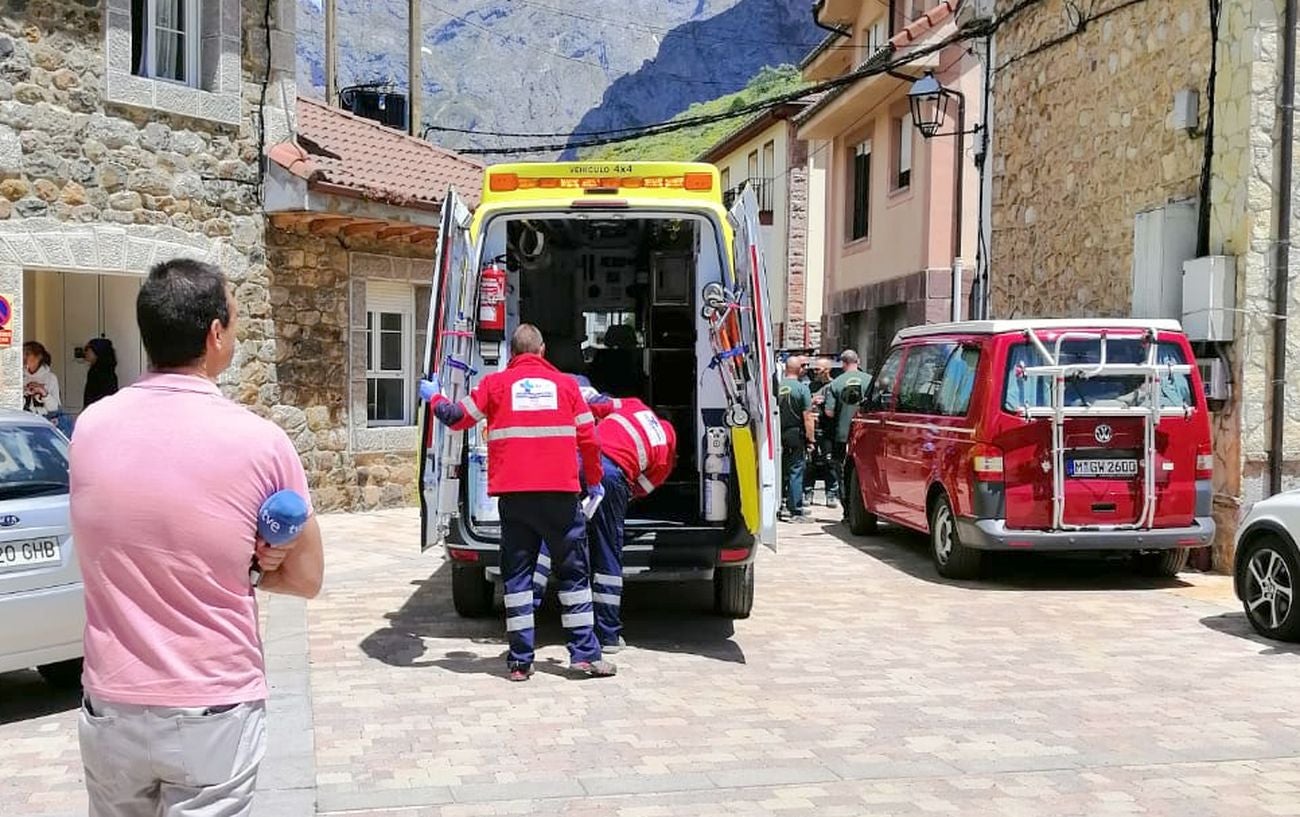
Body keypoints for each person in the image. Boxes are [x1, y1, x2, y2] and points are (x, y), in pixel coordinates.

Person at [70, 258, 324, 817]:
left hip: (111, 701)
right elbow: (307, 579)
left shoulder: (88, 428)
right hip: (212, 703)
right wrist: (257, 563)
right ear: (214, 334)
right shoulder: (261, 442)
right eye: (234, 320)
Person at [422, 323, 615, 681]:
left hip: (515, 499)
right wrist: (596, 483)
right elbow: (589, 441)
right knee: (573, 574)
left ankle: (520, 663)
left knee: (518, 579)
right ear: (542, 352)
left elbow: (456, 418)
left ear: (512, 354)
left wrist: (434, 396)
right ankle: (585, 655)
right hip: (561, 497)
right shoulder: (568, 387)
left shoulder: (493, 386)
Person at [534, 379, 678, 652]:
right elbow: (641, 489)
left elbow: (595, 406)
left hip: (580, 460)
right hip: (614, 478)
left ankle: (528, 605)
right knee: (608, 553)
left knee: (552, 528)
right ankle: (608, 635)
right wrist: (607, 506)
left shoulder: (633, 405)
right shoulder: (665, 453)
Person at [823, 349, 872, 520]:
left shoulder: (835, 384)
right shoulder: (870, 380)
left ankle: (848, 512)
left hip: (843, 435)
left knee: (844, 473)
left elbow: (829, 412)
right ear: (857, 361)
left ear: (843, 363)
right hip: (867, 434)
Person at [777, 355, 815, 522]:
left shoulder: (776, 387)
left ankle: (782, 503)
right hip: (795, 434)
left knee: (781, 470)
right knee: (796, 470)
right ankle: (796, 510)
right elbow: (807, 416)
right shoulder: (802, 389)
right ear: (799, 369)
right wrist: (811, 438)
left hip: (778, 434)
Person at [804, 357, 838, 509]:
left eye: (818, 369)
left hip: (828, 429)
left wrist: (824, 403)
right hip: (812, 427)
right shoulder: (811, 386)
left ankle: (831, 494)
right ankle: (807, 492)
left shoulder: (834, 386)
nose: (815, 372)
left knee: (829, 462)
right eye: (814, 369)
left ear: (827, 370)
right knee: (810, 462)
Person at [23, 341, 71, 435]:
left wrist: (44, 393)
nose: (24, 358)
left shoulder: (50, 378)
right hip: (24, 421)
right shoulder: (19, 376)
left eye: (28, 354)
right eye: (23, 354)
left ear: (39, 357)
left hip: (43, 422)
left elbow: (55, 408)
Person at [83, 337, 119, 408]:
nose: (85, 352)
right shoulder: (108, 371)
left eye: (88, 350)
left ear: (97, 352)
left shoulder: (99, 373)